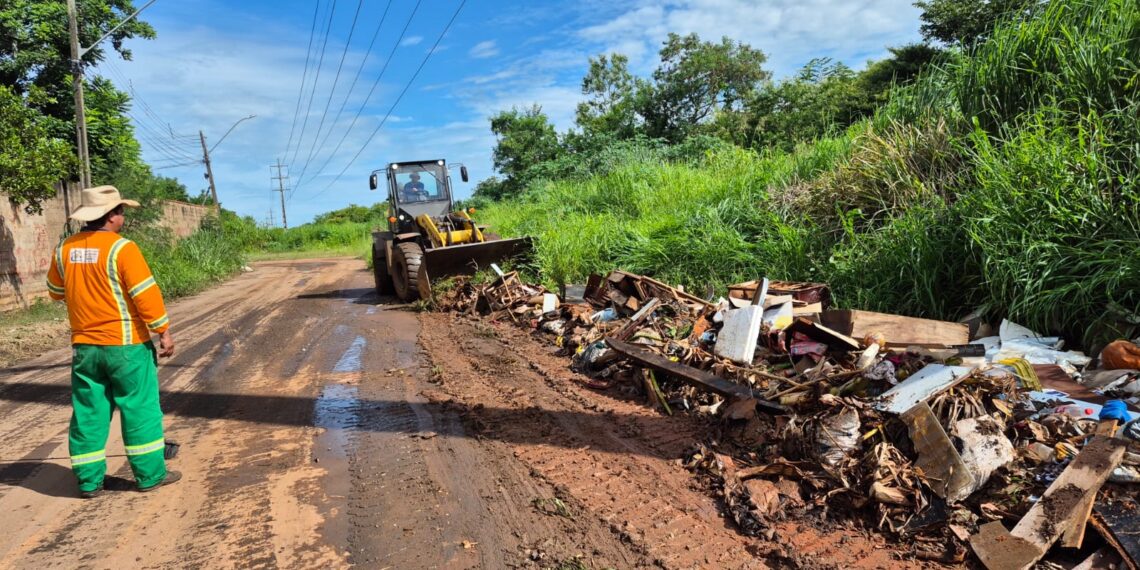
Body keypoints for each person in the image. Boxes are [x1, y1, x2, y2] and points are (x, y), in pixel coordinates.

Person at [46, 185, 180, 498]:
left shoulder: (64, 249)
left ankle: (89, 482)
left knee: (88, 413)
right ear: (109, 217)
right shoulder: (122, 249)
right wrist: (164, 332)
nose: (122, 217)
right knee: (139, 409)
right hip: (126, 346)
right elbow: (145, 294)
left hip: (84, 348)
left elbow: (55, 291)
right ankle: (150, 476)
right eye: (120, 211)